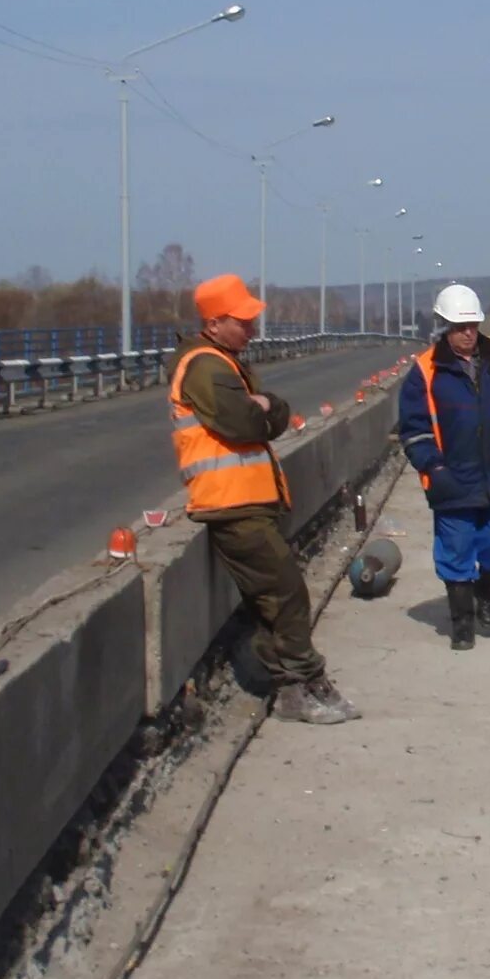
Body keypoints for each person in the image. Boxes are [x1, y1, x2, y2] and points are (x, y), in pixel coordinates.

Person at [171, 273, 359, 724]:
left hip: (247, 502)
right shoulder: (206, 367)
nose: (252, 329)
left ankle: (296, 689)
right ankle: (306, 684)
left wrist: (265, 404)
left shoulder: (223, 362)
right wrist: (265, 407)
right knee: (286, 594)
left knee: (273, 600)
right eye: (242, 321)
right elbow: (246, 425)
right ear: (214, 323)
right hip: (231, 505)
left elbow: (264, 415)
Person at [398, 283, 490, 650]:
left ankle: (485, 589)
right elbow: (414, 429)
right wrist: (434, 469)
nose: (468, 333)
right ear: (444, 327)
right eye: (460, 327)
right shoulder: (425, 371)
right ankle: (462, 623)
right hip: (452, 479)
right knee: (456, 551)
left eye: (473, 325)